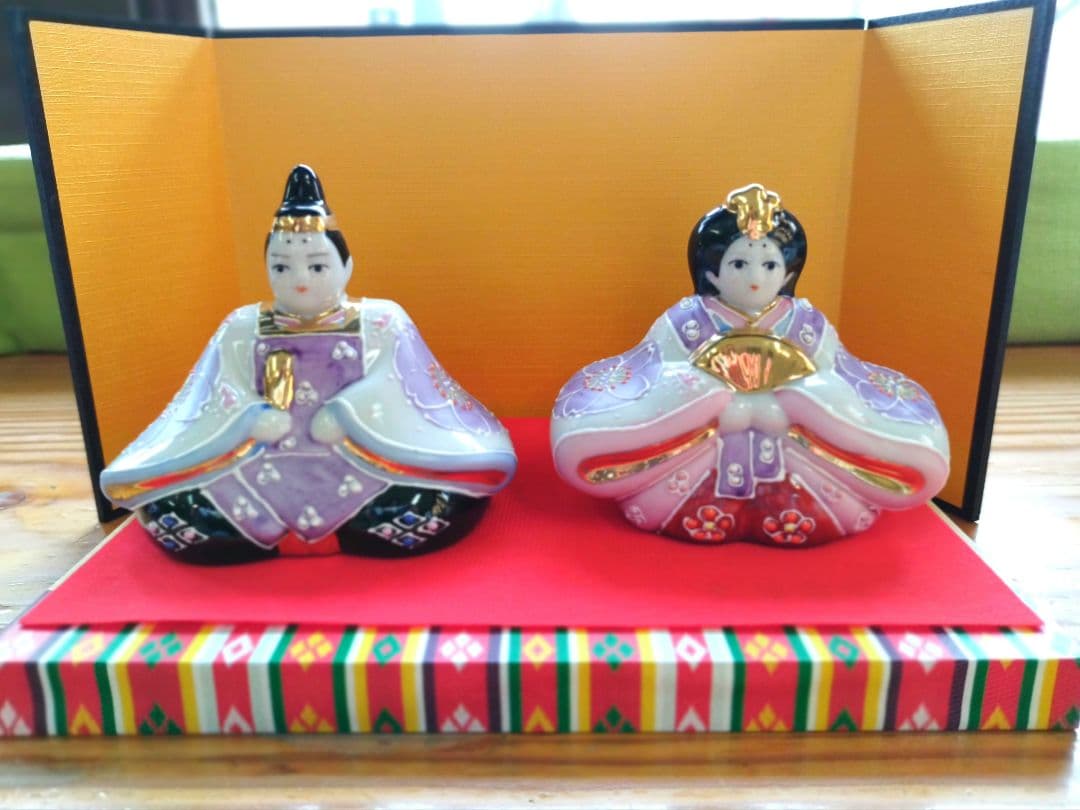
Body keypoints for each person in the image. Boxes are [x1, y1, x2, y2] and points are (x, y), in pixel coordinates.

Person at [101, 165, 516, 563]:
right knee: (171, 512)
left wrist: (346, 413)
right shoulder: (242, 327)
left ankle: (302, 535)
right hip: (254, 468)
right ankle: (316, 534)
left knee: (440, 502)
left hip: (359, 464)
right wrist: (249, 418)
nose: (300, 279)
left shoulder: (382, 321)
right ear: (266, 267)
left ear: (346, 266)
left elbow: (408, 386)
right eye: (282, 266)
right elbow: (209, 394)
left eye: (317, 265)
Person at [550, 184, 949, 547]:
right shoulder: (687, 322)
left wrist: (796, 403)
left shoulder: (806, 325)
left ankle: (796, 506)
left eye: (769, 266)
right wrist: (712, 401)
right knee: (632, 443)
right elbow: (651, 373)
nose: (755, 277)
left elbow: (842, 377)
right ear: (712, 272)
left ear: (788, 272)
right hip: (699, 451)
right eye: (740, 265)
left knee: (836, 442)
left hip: (795, 449)